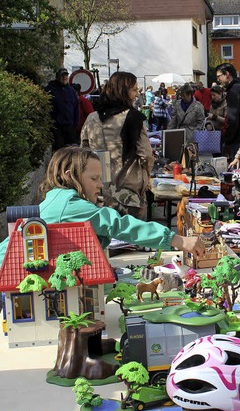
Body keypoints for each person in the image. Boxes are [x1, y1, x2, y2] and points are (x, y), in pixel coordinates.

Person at [0, 146, 205, 266]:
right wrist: (177, 240)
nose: (100, 185)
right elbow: (118, 225)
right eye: (94, 178)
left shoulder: (58, 198)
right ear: (70, 176)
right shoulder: (70, 205)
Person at [81, 71, 153, 220]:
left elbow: (82, 153)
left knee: (101, 238)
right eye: (134, 90)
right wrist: (147, 176)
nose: (136, 95)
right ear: (123, 92)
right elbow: (146, 155)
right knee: (131, 238)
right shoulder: (133, 118)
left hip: (96, 192)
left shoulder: (92, 118)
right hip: (128, 193)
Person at [216, 63, 240, 166]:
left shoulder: (234, 91)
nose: (218, 80)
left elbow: (233, 118)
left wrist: (228, 140)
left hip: (239, 139)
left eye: (219, 76)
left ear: (227, 74)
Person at [45, 67, 79, 150]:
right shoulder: (50, 89)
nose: (64, 77)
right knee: (58, 151)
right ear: (57, 77)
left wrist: (75, 125)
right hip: (57, 128)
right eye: (62, 75)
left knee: (71, 151)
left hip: (69, 127)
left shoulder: (71, 91)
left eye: (66, 75)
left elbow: (76, 108)